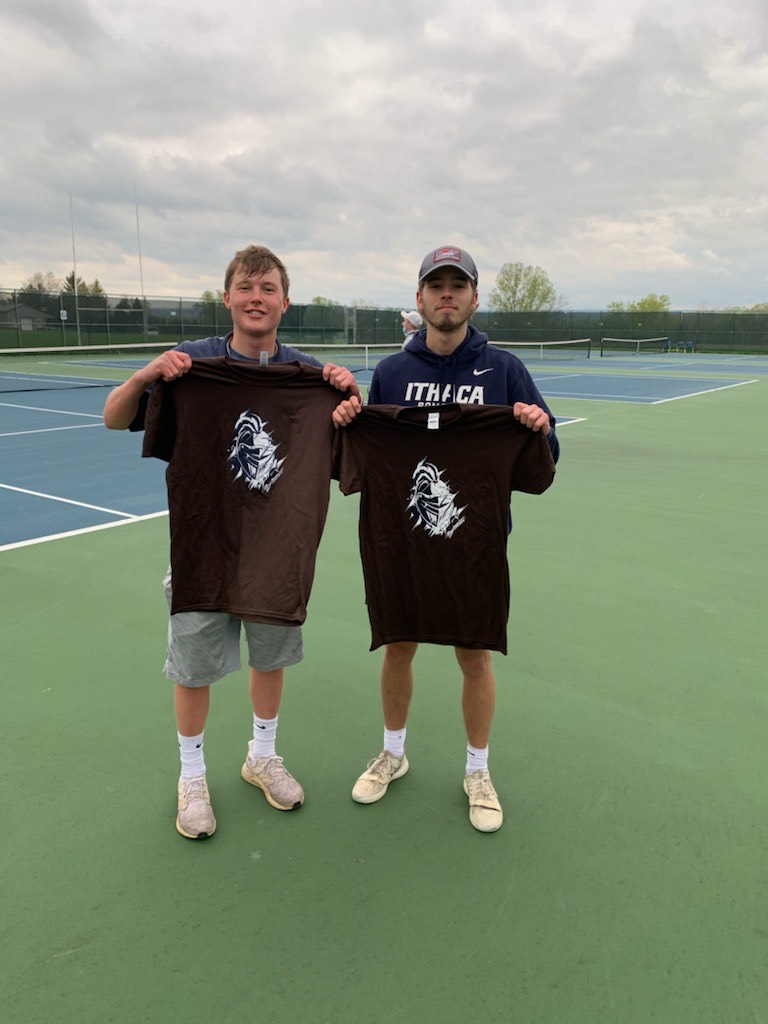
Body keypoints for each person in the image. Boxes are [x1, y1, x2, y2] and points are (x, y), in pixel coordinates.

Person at [103, 244, 358, 840]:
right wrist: (146, 374)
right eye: (246, 287)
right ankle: (192, 776)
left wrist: (348, 399)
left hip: (277, 553)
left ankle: (261, 756)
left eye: (268, 289)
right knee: (193, 669)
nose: (256, 298)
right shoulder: (192, 366)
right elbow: (114, 417)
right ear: (227, 298)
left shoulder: (310, 378)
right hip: (205, 549)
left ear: (285, 302)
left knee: (270, 660)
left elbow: (353, 447)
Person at [333, 244, 559, 833]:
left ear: (474, 298)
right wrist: (347, 424)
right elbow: (364, 454)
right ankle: (393, 752)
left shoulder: (504, 370)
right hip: (402, 542)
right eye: (437, 286)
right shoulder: (391, 373)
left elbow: (545, 458)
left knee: (473, 652)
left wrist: (538, 429)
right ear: (420, 298)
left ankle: (477, 770)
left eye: (458, 286)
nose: (447, 295)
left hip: (474, 544)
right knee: (398, 644)